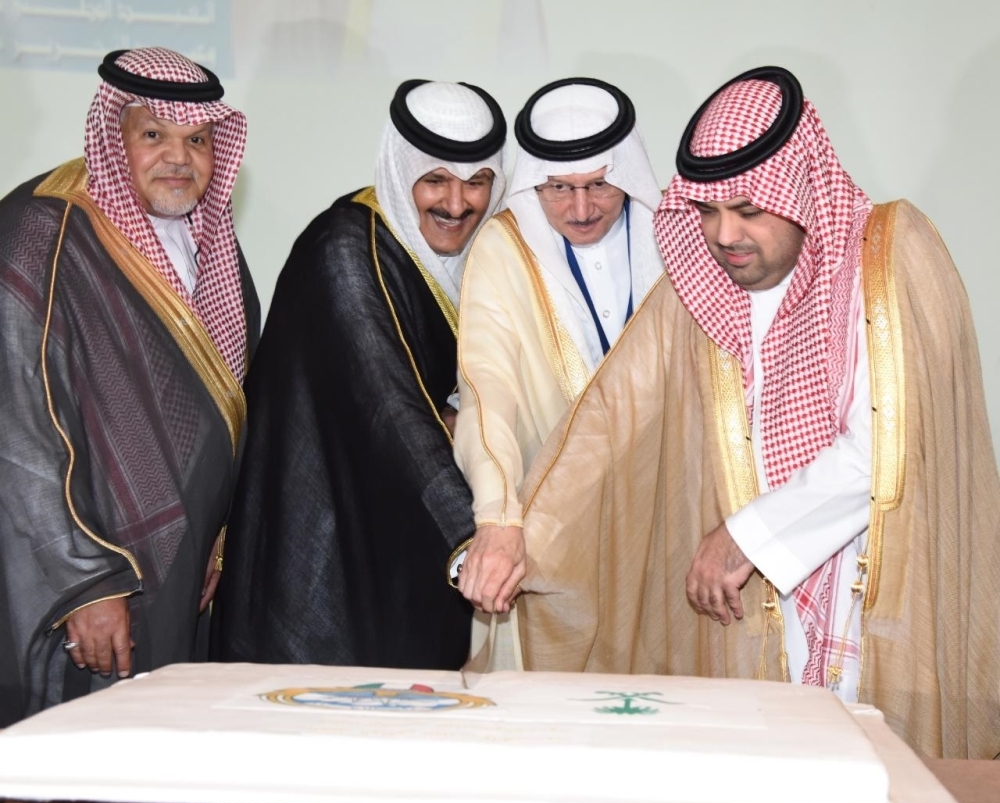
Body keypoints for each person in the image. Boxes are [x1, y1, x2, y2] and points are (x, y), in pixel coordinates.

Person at [514, 66, 1000, 759]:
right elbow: (609, 422)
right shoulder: (704, 287)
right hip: (756, 621)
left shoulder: (890, 259)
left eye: (747, 208)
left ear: (799, 188)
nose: (724, 234)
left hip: (877, 600)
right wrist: (519, 533)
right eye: (707, 211)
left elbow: (885, 445)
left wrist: (744, 536)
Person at [0, 47, 259, 726]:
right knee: (68, 767)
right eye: (154, 136)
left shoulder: (213, 242)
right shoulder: (41, 231)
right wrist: (83, 579)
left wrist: (218, 538)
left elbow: (227, 406)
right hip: (82, 581)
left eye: (197, 140)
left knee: (154, 763)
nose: (180, 157)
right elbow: (18, 425)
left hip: (180, 565)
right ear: (113, 137)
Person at [213, 80, 507, 669]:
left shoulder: (462, 255)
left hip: (399, 532)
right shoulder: (347, 248)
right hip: (323, 540)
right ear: (401, 174)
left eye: (477, 182)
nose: (457, 203)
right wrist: (474, 537)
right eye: (435, 180)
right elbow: (391, 405)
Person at [454, 77, 664, 622]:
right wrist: (498, 517)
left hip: (666, 507)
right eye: (558, 189)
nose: (581, 208)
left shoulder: (672, 239)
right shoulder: (504, 248)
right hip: (549, 522)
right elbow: (487, 384)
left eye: (598, 185)